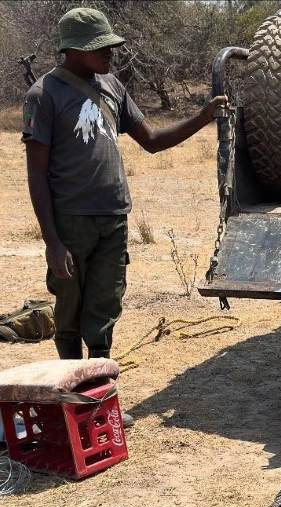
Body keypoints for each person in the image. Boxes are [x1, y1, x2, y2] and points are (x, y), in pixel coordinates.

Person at [23, 8, 227, 377]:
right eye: (100, 46)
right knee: (69, 310)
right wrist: (52, 241)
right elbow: (36, 173)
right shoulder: (44, 94)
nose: (110, 52)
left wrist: (203, 117)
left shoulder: (113, 87)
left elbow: (152, 140)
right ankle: (72, 391)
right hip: (70, 221)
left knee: (104, 308)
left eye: (110, 45)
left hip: (113, 218)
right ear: (74, 49)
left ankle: (101, 391)